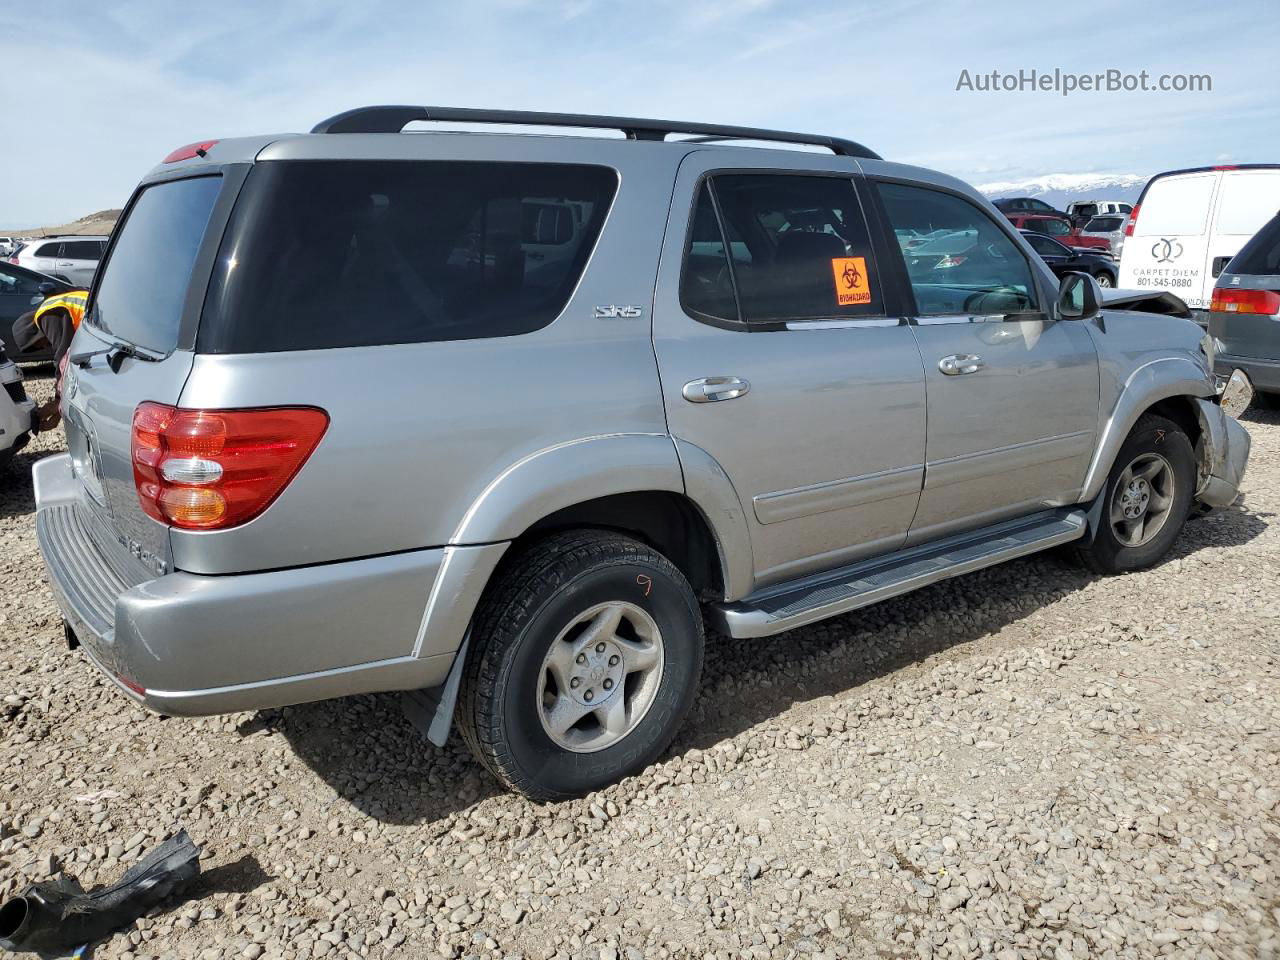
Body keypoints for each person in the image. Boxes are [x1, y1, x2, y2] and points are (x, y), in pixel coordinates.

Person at [11, 288, 88, 432]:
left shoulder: (47, 315)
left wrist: (58, 401)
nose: (44, 345)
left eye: (37, 344)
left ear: (33, 334)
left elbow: (64, 358)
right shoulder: (50, 308)